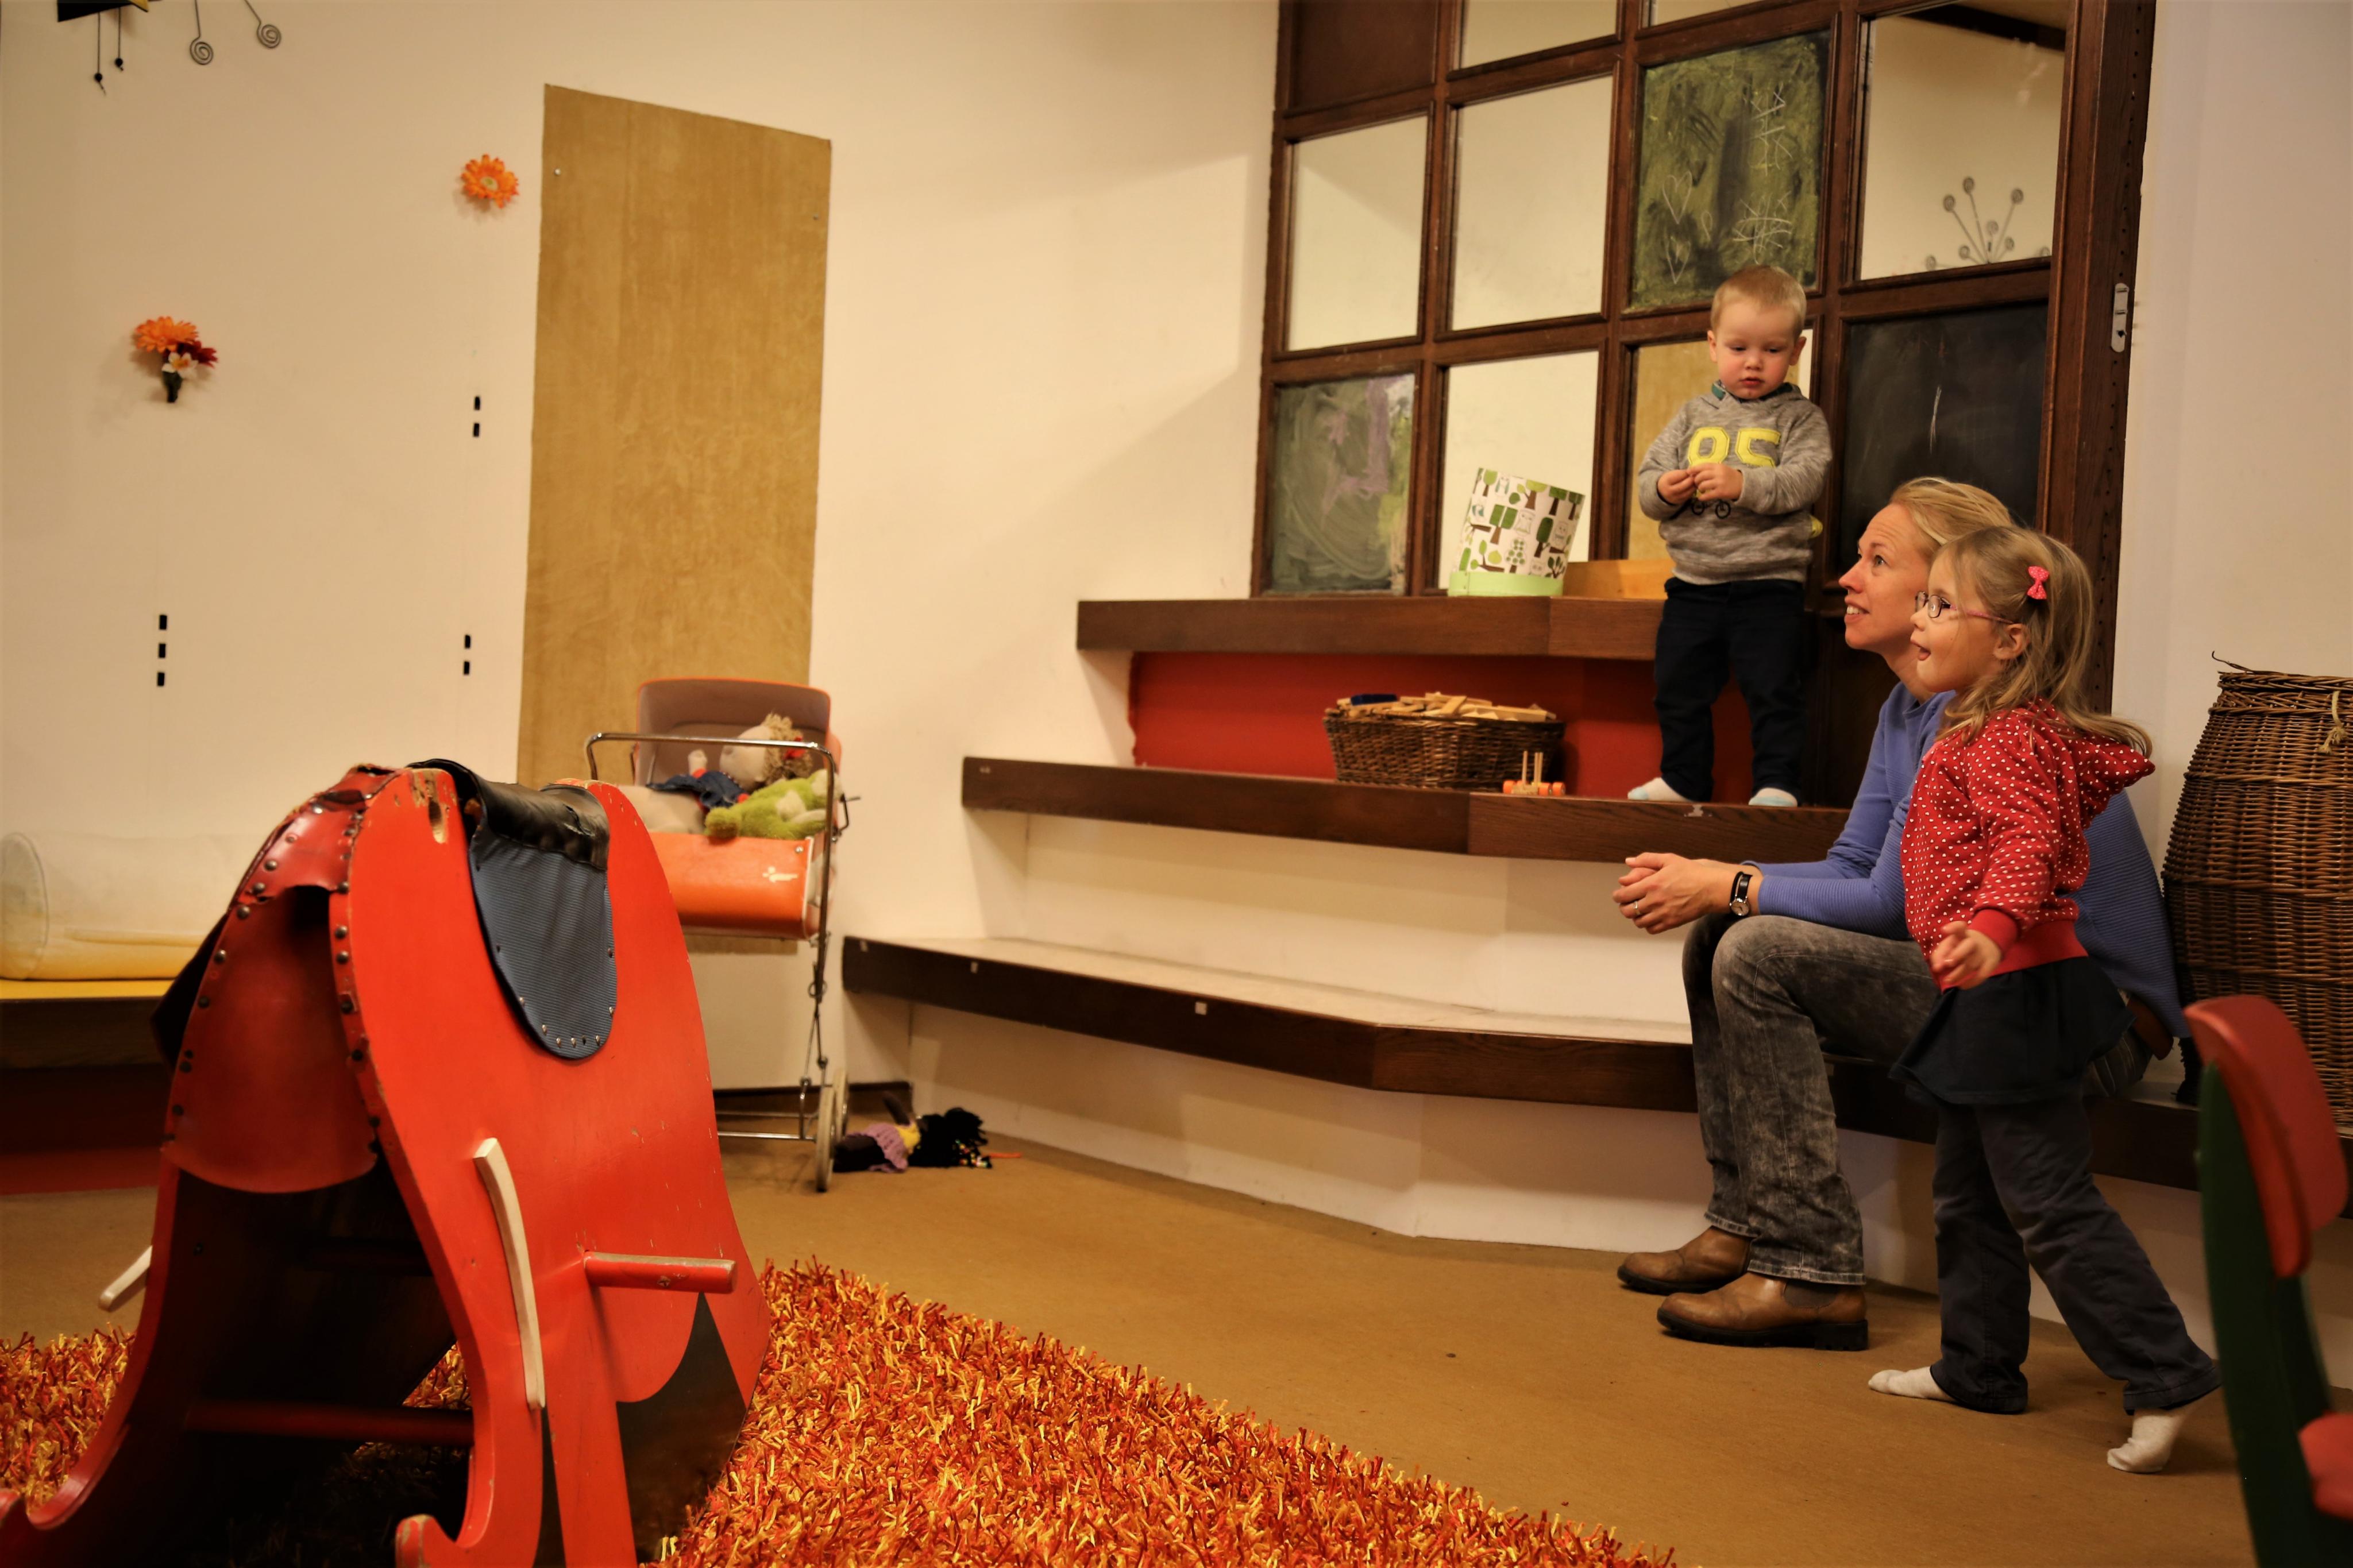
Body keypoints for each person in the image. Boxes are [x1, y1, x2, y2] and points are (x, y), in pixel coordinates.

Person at [1610, 478, 2186, 1354]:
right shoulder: (1910, 705)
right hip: (2000, 986)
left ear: (1950, 593)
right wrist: (1723, 885)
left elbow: (1890, 904)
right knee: (1723, 931)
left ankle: (1809, 1270)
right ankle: (1747, 1222)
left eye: (1879, 561)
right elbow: (1858, 866)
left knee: (1755, 946)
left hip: (2082, 1021)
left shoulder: (1986, 721)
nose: (1848, 578)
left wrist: (1730, 881)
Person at [1866, 526, 2216, 1473]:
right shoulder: (1986, 727)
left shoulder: (2008, 739)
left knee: (2047, 1200)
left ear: (2011, 638)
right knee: (1967, 1192)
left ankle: (2165, 1370)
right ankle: (1978, 1366)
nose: (1921, 619)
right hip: (1988, 992)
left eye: (1942, 605)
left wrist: (1993, 924)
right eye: (1924, 601)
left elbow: (2027, 842)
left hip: (2016, 988)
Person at [1628, 264, 1829, 809]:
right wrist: (1665, 490)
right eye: (1739, 348)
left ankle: (1778, 783)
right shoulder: (1691, 415)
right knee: (1677, 686)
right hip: (1694, 584)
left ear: (1797, 350)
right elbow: (1647, 486)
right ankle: (1684, 777)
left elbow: (1805, 480)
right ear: (1713, 345)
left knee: (1774, 689)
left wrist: (1743, 484)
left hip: (1770, 583)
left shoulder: (1800, 418)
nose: (1753, 362)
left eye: (1772, 350)